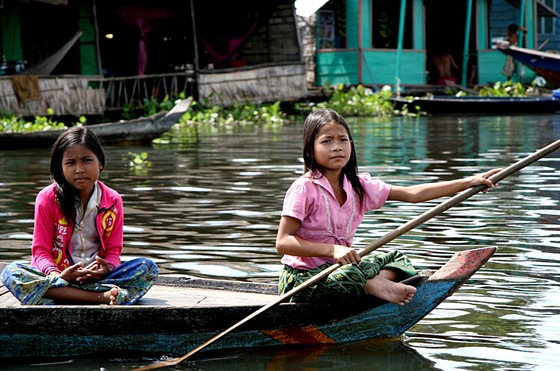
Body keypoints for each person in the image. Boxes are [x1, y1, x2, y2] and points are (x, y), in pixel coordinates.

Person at [276, 109, 500, 305]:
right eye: (327, 141)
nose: (337, 147)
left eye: (343, 140)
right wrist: (332, 250)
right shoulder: (304, 188)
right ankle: (373, 285)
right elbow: (283, 241)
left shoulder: (358, 186)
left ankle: (374, 282)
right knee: (349, 275)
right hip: (303, 279)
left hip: (342, 269)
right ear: (310, 149)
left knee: (398, 259)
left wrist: (468, 182)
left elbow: (412, 194)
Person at [1, 126, 158, 305]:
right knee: (11, 272)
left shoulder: (113, 200)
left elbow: (114, 251)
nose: (79, 169)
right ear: (61, 167)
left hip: (97, 279)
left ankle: (63, 294)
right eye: (71, 163)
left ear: (100, 162)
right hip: (58, 277)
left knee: (147, 268)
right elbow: (40, 252)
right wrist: (57, 274)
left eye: (86, 160)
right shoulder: (47, 199)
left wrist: (106, 269)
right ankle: (101, 296)